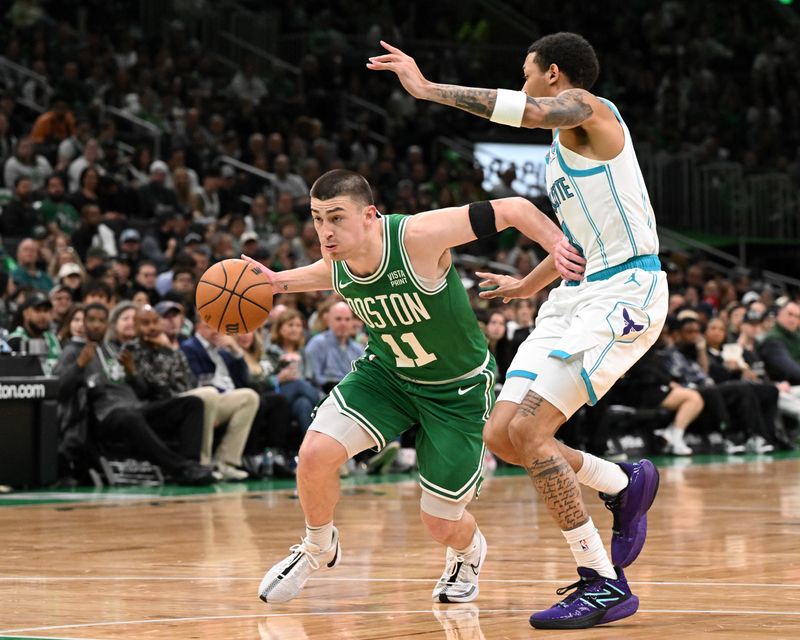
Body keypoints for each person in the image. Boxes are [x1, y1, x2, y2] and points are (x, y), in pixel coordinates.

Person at [369, 32, 667, 628]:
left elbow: (529, 111)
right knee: (502, 436)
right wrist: (527, 286)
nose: (523, 79)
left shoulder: (591, 111)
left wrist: (428, 90)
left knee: (532, 428)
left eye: (526, 71)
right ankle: (621, 480)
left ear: (553, 73)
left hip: (625, 291)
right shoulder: (564, 150)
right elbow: (577, 243)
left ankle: (602, 581)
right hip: (576, 293)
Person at [248, 168, 568, 606]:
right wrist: (276, 281)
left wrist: (559, 250)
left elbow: (513, 209)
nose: (325, 230)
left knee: (438, 521)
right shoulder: (340, 257)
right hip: (388, 376)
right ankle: (317, 546)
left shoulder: (417, 236)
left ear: (370, 216)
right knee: (314, 454)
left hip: (456, 390)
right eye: (317, 218)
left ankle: (468, 552)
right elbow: (328, 273)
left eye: (336, 217)